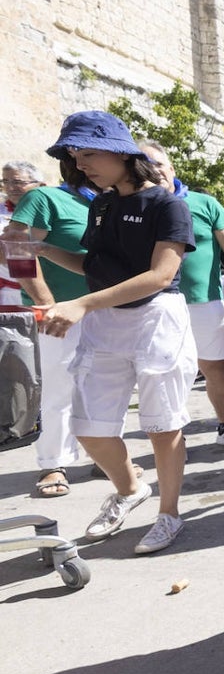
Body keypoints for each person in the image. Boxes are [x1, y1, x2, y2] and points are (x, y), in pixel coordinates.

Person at [24, 111, 197, 555]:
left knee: (163, 425)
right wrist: (41, 248)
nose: (82, 164)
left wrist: (80, 303)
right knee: (90, 427)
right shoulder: (101, 205)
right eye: (76, 156)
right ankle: (129, 489)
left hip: (155, 318)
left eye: (90, 153)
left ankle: (169, 513)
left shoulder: (167, 203)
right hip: (105, 320)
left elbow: (160, 275)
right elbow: (94, 266)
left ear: (123, 152)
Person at [141, 140, 224, 449]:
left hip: (205, 303)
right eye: (146, 164)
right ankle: (171, 444)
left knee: (216, 368)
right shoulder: (134, 206)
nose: (154, 170)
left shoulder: (205, 204)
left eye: (159, 163)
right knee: (164, 373)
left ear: (172, 168)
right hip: (154, 305)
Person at [4, 158, 95, 497]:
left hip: (107, 309)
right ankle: (53, 463)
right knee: (57, 389)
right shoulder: (43, 198)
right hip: (61, 315)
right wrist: (47, 303)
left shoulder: (100, 201)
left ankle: (105, 456)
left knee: (102, 387)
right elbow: (15, 247)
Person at [2, 161, 46, 305]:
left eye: (17, 182)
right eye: (5, 181)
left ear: (40, 185)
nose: (10, 188)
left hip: (45, 291)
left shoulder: (48, 210)